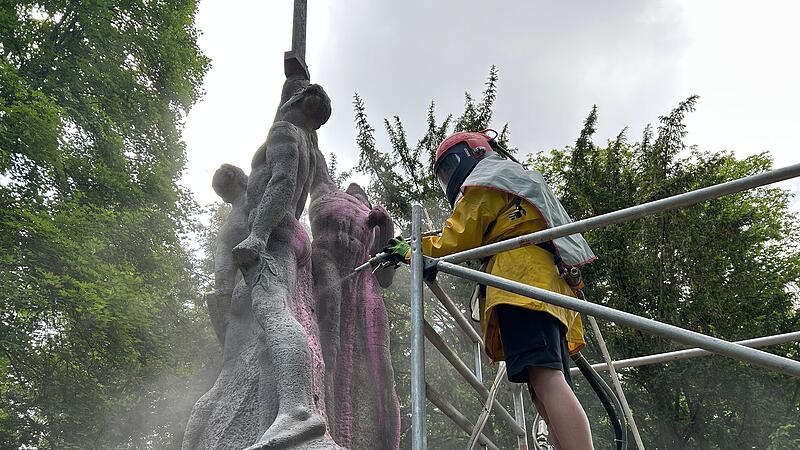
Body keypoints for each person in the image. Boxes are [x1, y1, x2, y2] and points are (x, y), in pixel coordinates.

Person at [384, 130, 596, 450]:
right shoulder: (512, 182)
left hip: (521, 285)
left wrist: (412, 252)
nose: (449, 180)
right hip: (545, 286)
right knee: (543, 390)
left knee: (547, 380)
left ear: (473, 153)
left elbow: (455, 239)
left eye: (449, 168)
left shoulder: (487, 181)